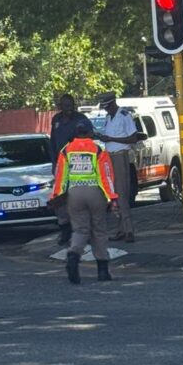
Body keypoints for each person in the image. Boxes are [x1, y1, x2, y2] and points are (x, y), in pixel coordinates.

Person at [51, 122, 118, 284]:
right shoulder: (98, 150)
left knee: (80, 230)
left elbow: (60, 176)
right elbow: (105, 176)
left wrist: (56, 196)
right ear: (90, 133)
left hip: (75, 193)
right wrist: (112, 197)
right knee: (99, 230)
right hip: (95, 192)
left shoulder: (66, 151)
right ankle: (102, 270)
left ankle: (73, 255)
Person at [49, 94, 93, 246]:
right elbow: (53, 142)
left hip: (78, 164)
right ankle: (65, 230)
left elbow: (89, 137)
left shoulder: (81, 119)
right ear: (60, 106)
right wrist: (54, 163)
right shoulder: (56, 120)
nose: (69, 109)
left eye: (71, 105)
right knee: (60, 199)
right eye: (66, 106)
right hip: (61, 165)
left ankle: (83, 231)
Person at [93, 92, 137, 243]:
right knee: (113, 193)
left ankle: (129, 230)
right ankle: (120, 230)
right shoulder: (108, 118)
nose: (106, 110)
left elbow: (133, 137)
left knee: (122, 193)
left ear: (113, 103)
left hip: (120, 155)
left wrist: (111, 138)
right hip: (109, 156)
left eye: (107, 106)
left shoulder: (124, 115)